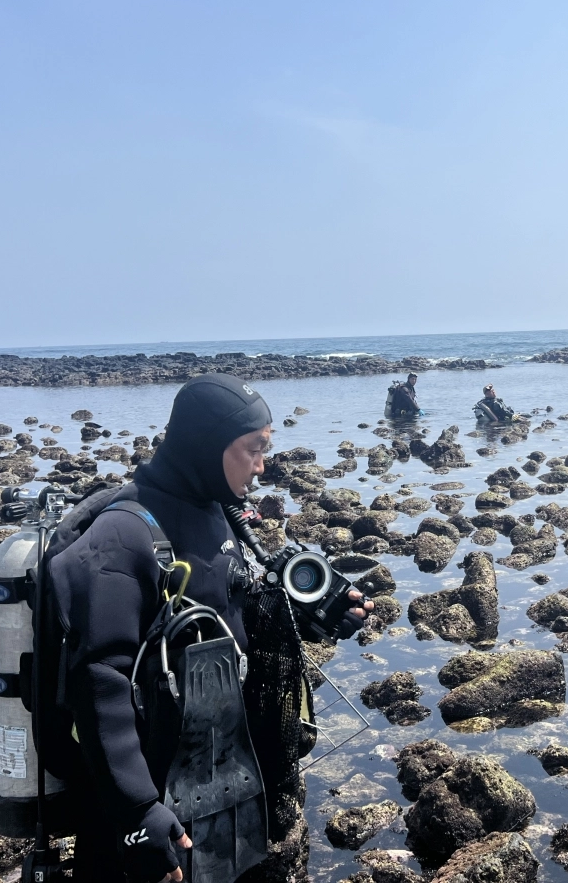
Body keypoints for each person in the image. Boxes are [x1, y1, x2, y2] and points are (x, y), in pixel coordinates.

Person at [49, 373, 372, 883]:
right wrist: (138, 812)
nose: (262, 466)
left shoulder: (215, 510)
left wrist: (313, 620)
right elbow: (99, 679)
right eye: (253, 449)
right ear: (206, 443)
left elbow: (226, 615)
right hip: (146, 798)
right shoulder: (123, 535)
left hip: (216, 776)